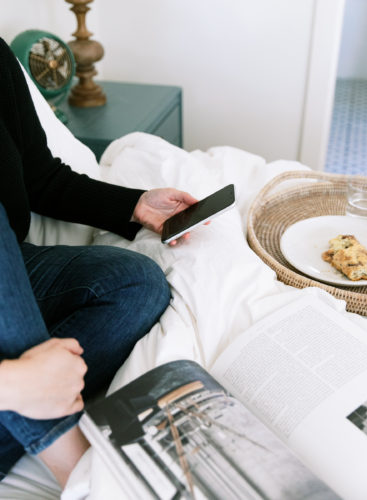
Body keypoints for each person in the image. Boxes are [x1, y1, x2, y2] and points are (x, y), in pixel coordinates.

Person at [0, 37, 198, 487]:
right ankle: (68, 457)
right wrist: (13, 383)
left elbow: (40, 176)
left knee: (135, 283)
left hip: (11, 265)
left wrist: (135, 205)